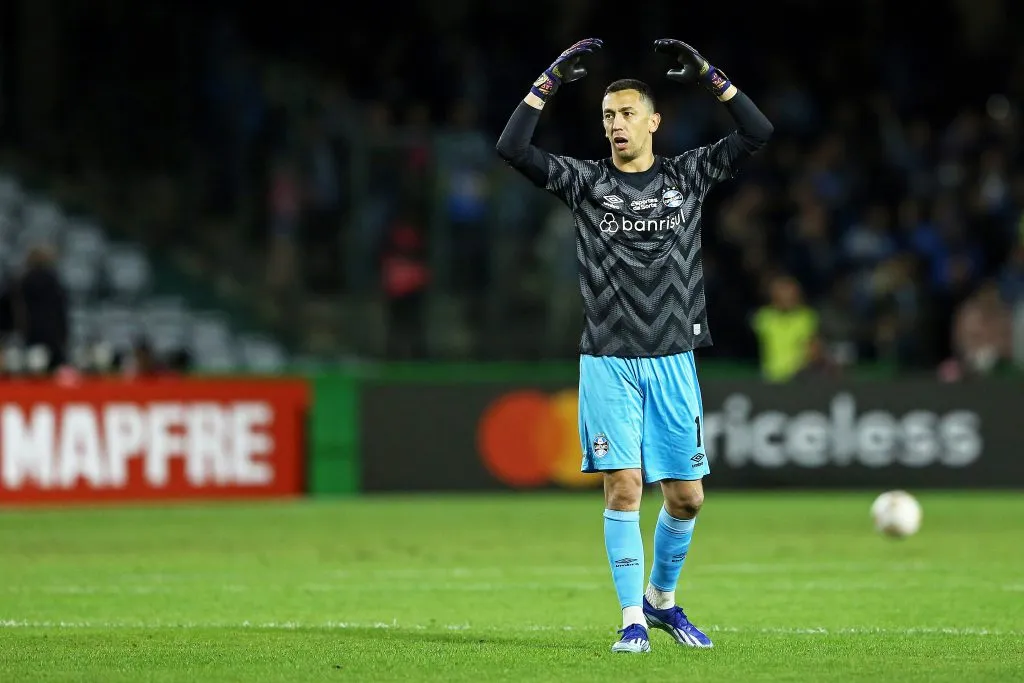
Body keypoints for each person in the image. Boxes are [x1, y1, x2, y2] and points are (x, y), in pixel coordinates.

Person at [495, 38, 773, 653]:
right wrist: (546, 81)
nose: (615, 125)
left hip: (675, 358)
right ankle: (631, 619)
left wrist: (710, 75)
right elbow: (512, 148)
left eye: (625, 114)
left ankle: (661, 601)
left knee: (688, 498)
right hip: (608, 361)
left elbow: (757, 132)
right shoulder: (586, 183)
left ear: (653, 122)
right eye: (606, 116)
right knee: (624, 487)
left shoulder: (687, 176)